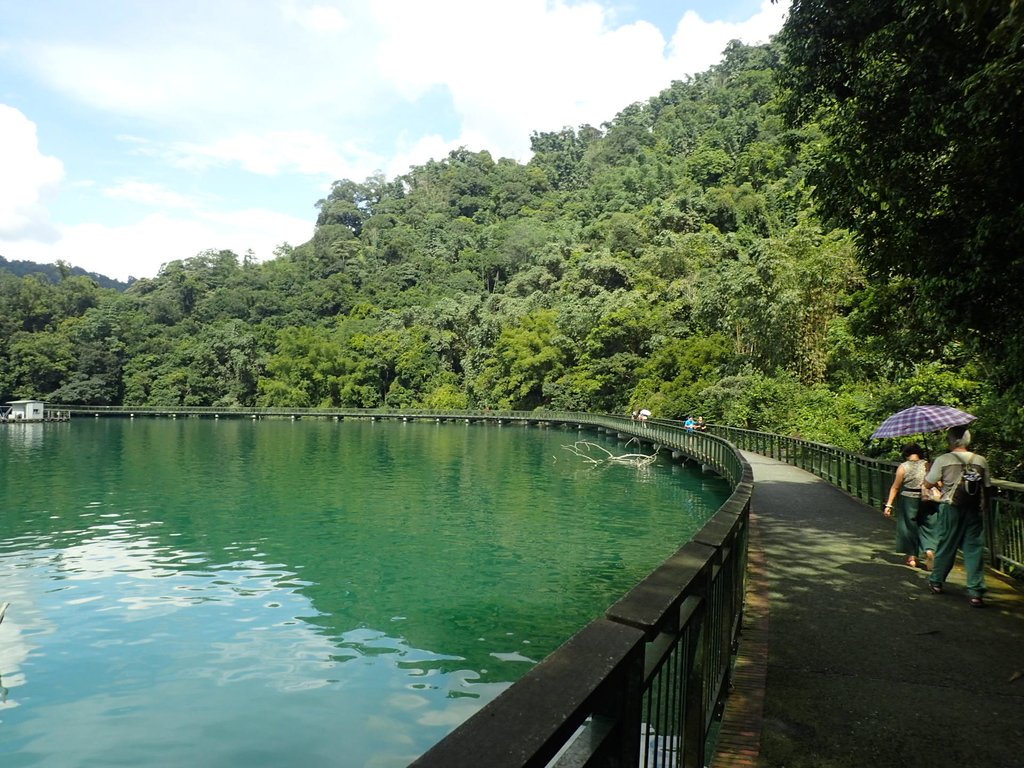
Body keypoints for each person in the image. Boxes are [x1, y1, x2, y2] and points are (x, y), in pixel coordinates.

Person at [922, 426, 991, 607]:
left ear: (951, 441)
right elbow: (987, 485)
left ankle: (936, 581)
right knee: (974, 549)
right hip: (974, 509)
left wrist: (930, 470)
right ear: (967, 440)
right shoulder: (980, 460)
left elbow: (928, 484)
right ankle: (976, 592)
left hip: (950, 507)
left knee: (947, 545)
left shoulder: (943, 459)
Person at [882, 443, 937, 569]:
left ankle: (912, 558)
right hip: (926, 498)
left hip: (908, 499)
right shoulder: (927, 464)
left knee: (909, 527)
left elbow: (895, 487)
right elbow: (936, 481)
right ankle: (929, 549)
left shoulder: (903, 467)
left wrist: (889, 505)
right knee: (927, 525)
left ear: (906, 454)